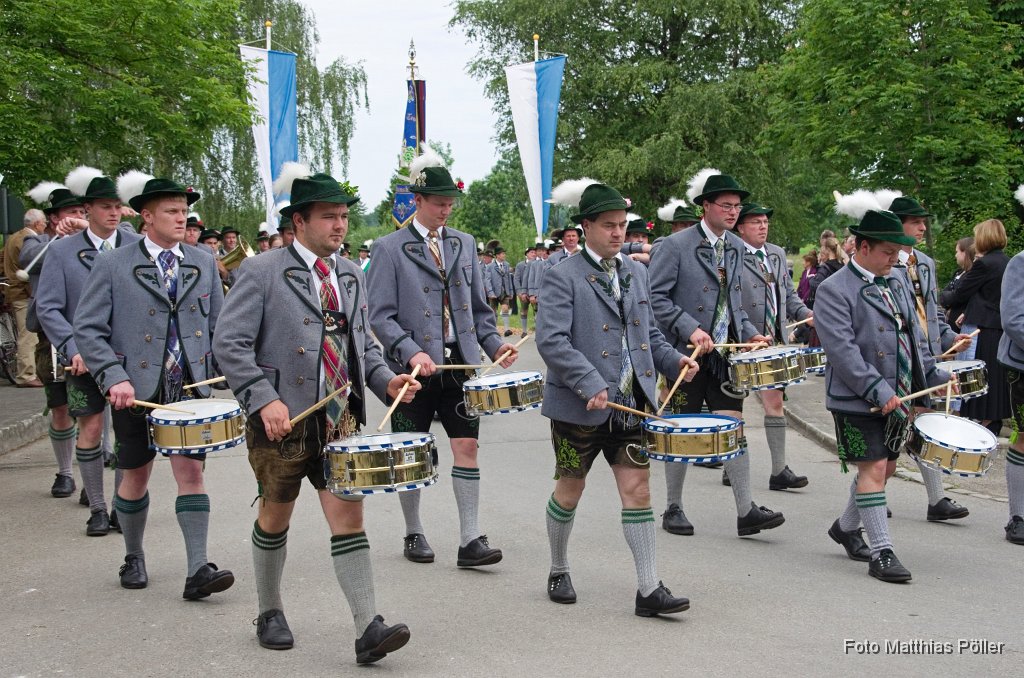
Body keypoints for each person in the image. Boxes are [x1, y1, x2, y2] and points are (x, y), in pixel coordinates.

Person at [213, 166, 419, 663]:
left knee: (348, 514)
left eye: (344, 216)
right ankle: (269, 610)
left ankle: (368, 626)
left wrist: (385, 378)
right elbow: (229, 343)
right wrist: (264, 399)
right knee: (275, 514)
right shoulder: (261, 271)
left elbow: (362, 347)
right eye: (329, 216)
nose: (340, 226)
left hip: (340, 418)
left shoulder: (350, 273)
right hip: (280, 422)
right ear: (299, 222)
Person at [538, 179, 698, 614]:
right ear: (585, 226)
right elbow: (552, 342)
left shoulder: (637, 271)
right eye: (608, 225)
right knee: (569, 488)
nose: (617, 233)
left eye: (622, 225)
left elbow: (646, 337)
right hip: (576, 409)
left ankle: (649, 589)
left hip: (631, 407)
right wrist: (590, 383)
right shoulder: (560, 276)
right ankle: (557, 567)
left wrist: (675, 362)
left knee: (638, 488)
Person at [74, 172, 235, 600]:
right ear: (147, 217)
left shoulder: (202, 260)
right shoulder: (113, 263)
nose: (182, 218)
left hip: (188, 391)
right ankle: (133, 555)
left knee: (191, 472)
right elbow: (88, 329)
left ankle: (198, 568)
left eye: (184, 211)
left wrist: (230, 369)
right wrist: (113, 377)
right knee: (136, 475)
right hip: (135, 390)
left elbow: (218, 326)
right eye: (172, 211)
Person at [367, 147, 519, 567]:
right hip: (411, 370)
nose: (445, 210)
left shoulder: (465, 243)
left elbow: (479, 310)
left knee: (466, 445)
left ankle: (470, 538)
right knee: (410, 452)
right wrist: (411, 350)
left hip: (461, 366)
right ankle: (414, 532)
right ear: (417, 201)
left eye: (450, 203)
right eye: (438, 203)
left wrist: (494, 346)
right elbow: (379, 316)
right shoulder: (388, 248)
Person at [816, 204, 950, 583]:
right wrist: (877, 389)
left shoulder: (897, 282)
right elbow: (842, 351)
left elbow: (915, 337)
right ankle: (882, 552)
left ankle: (845, 527)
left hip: (901, 392)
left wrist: (934, 376)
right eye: (888, 252)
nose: (896, 259)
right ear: (862, 248)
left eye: (897, 252)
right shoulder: (833, 289)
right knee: (873, 467)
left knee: (887, 467)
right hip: (855, 397)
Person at [648, 169, 781, 537]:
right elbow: (655, 298)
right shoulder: (674, 246)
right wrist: (688, 327)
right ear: (705, 207)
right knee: (682, 428)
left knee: (733, 427)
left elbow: (735, 303)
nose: (734, 211)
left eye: (738, 206)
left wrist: (752, 334)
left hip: (725, 354)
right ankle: (673, 507)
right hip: (685, 354)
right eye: (726, 205)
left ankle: (746, 510)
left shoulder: (737, 247)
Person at [36, 168, 141, 535]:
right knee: (92, 427)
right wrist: (73, 347)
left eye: (117, 206)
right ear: (87, 210)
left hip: (127, 359)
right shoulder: (62, 251)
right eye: (104, 207)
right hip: (81, 358)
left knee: (127, 435)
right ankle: (97, 507)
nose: (113, 213)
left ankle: (119, 509)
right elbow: (48, 307)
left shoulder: (133, 246)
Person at [885, 194, 973, 521]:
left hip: (928, 356)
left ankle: (936, 500)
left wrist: (950, 337)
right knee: (892, 429)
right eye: (915, 222)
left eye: (923, 222)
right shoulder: (885, 262)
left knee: (925, 422)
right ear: (899, 226)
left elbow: (933, 310)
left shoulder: (925, 263)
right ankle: (869, 493)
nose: (922, 227)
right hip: (898, 357)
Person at [734, 202, 813, 489]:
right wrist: (749, 333)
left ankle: (779, 470)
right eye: (755, 222)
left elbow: (788, 296)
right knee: (734, 408)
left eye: (765, 221)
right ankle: (733, 464)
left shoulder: (777, 254)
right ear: (740, 227)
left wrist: (806, 316)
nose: (763, 226)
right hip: (742, 342)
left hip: (774, 343)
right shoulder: (731, 255)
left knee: (775, 402)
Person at [21, 184, 87, 499]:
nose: (77, 217)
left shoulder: (93, 245)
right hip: (52, 338)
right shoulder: (40, 244)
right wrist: (60, 239)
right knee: (60, 407)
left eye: (81, 212)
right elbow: (27, 255)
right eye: (71, 212)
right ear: (54, 217)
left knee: (93, 408)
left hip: (91, 338)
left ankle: (94, 475)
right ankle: (64, 472)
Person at [938, 219, 1011, 434]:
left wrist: (942, 297)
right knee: (994, 377)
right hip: (997, 327)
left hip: (981, 327)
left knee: (973, 374)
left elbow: (962, 292)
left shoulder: (984, 263)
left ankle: (975, 420)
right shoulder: (1007, 262)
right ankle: (991, 420)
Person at [997, 194, 1024, 544]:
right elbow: (1014, 320)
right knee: (1022, 437)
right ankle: (1018, 516)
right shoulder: (1019, 263)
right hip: (1023, 365)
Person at [3, 208, 45, 387]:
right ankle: (26, 375)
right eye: (44, 222)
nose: (45, 226)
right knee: (28, 335)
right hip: (23, 292)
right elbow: (29, 265)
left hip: (15, 290)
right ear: (36, 224)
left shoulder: (13, 237)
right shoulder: (26, 241)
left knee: (25, 334)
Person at [941, 237, 975, 333]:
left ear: (965, 253)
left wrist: (951, 296)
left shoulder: (971, 275)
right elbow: (943, 296)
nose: (955, 255)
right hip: (950, 321)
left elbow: (958, 296)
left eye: (957, 252)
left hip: (960, 324)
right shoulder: (958, 273)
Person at [488, 245, 514, 336]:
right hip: (494, 292)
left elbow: (509, 279)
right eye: (502, 254)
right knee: (493, 311)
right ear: (497, 255)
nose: (504, 255)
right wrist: (490, 292)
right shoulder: (490, 266)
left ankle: (507, 330)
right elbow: (487, 280)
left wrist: (510, 292)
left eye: (504, 254)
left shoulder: (506, 264)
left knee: (505, 308)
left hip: (505, 291)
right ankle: (494, 330)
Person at [515, 245, 537, 336]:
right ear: (526, 254)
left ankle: (537, 332)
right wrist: (519, 292)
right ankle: (524, 331)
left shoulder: (537, 263)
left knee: (536, 311)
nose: (533, 254)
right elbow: (516, 279)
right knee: (524, 310)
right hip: (523, 292)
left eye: (534, 252)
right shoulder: (520, 265)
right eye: (531, 252)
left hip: (534, 292)